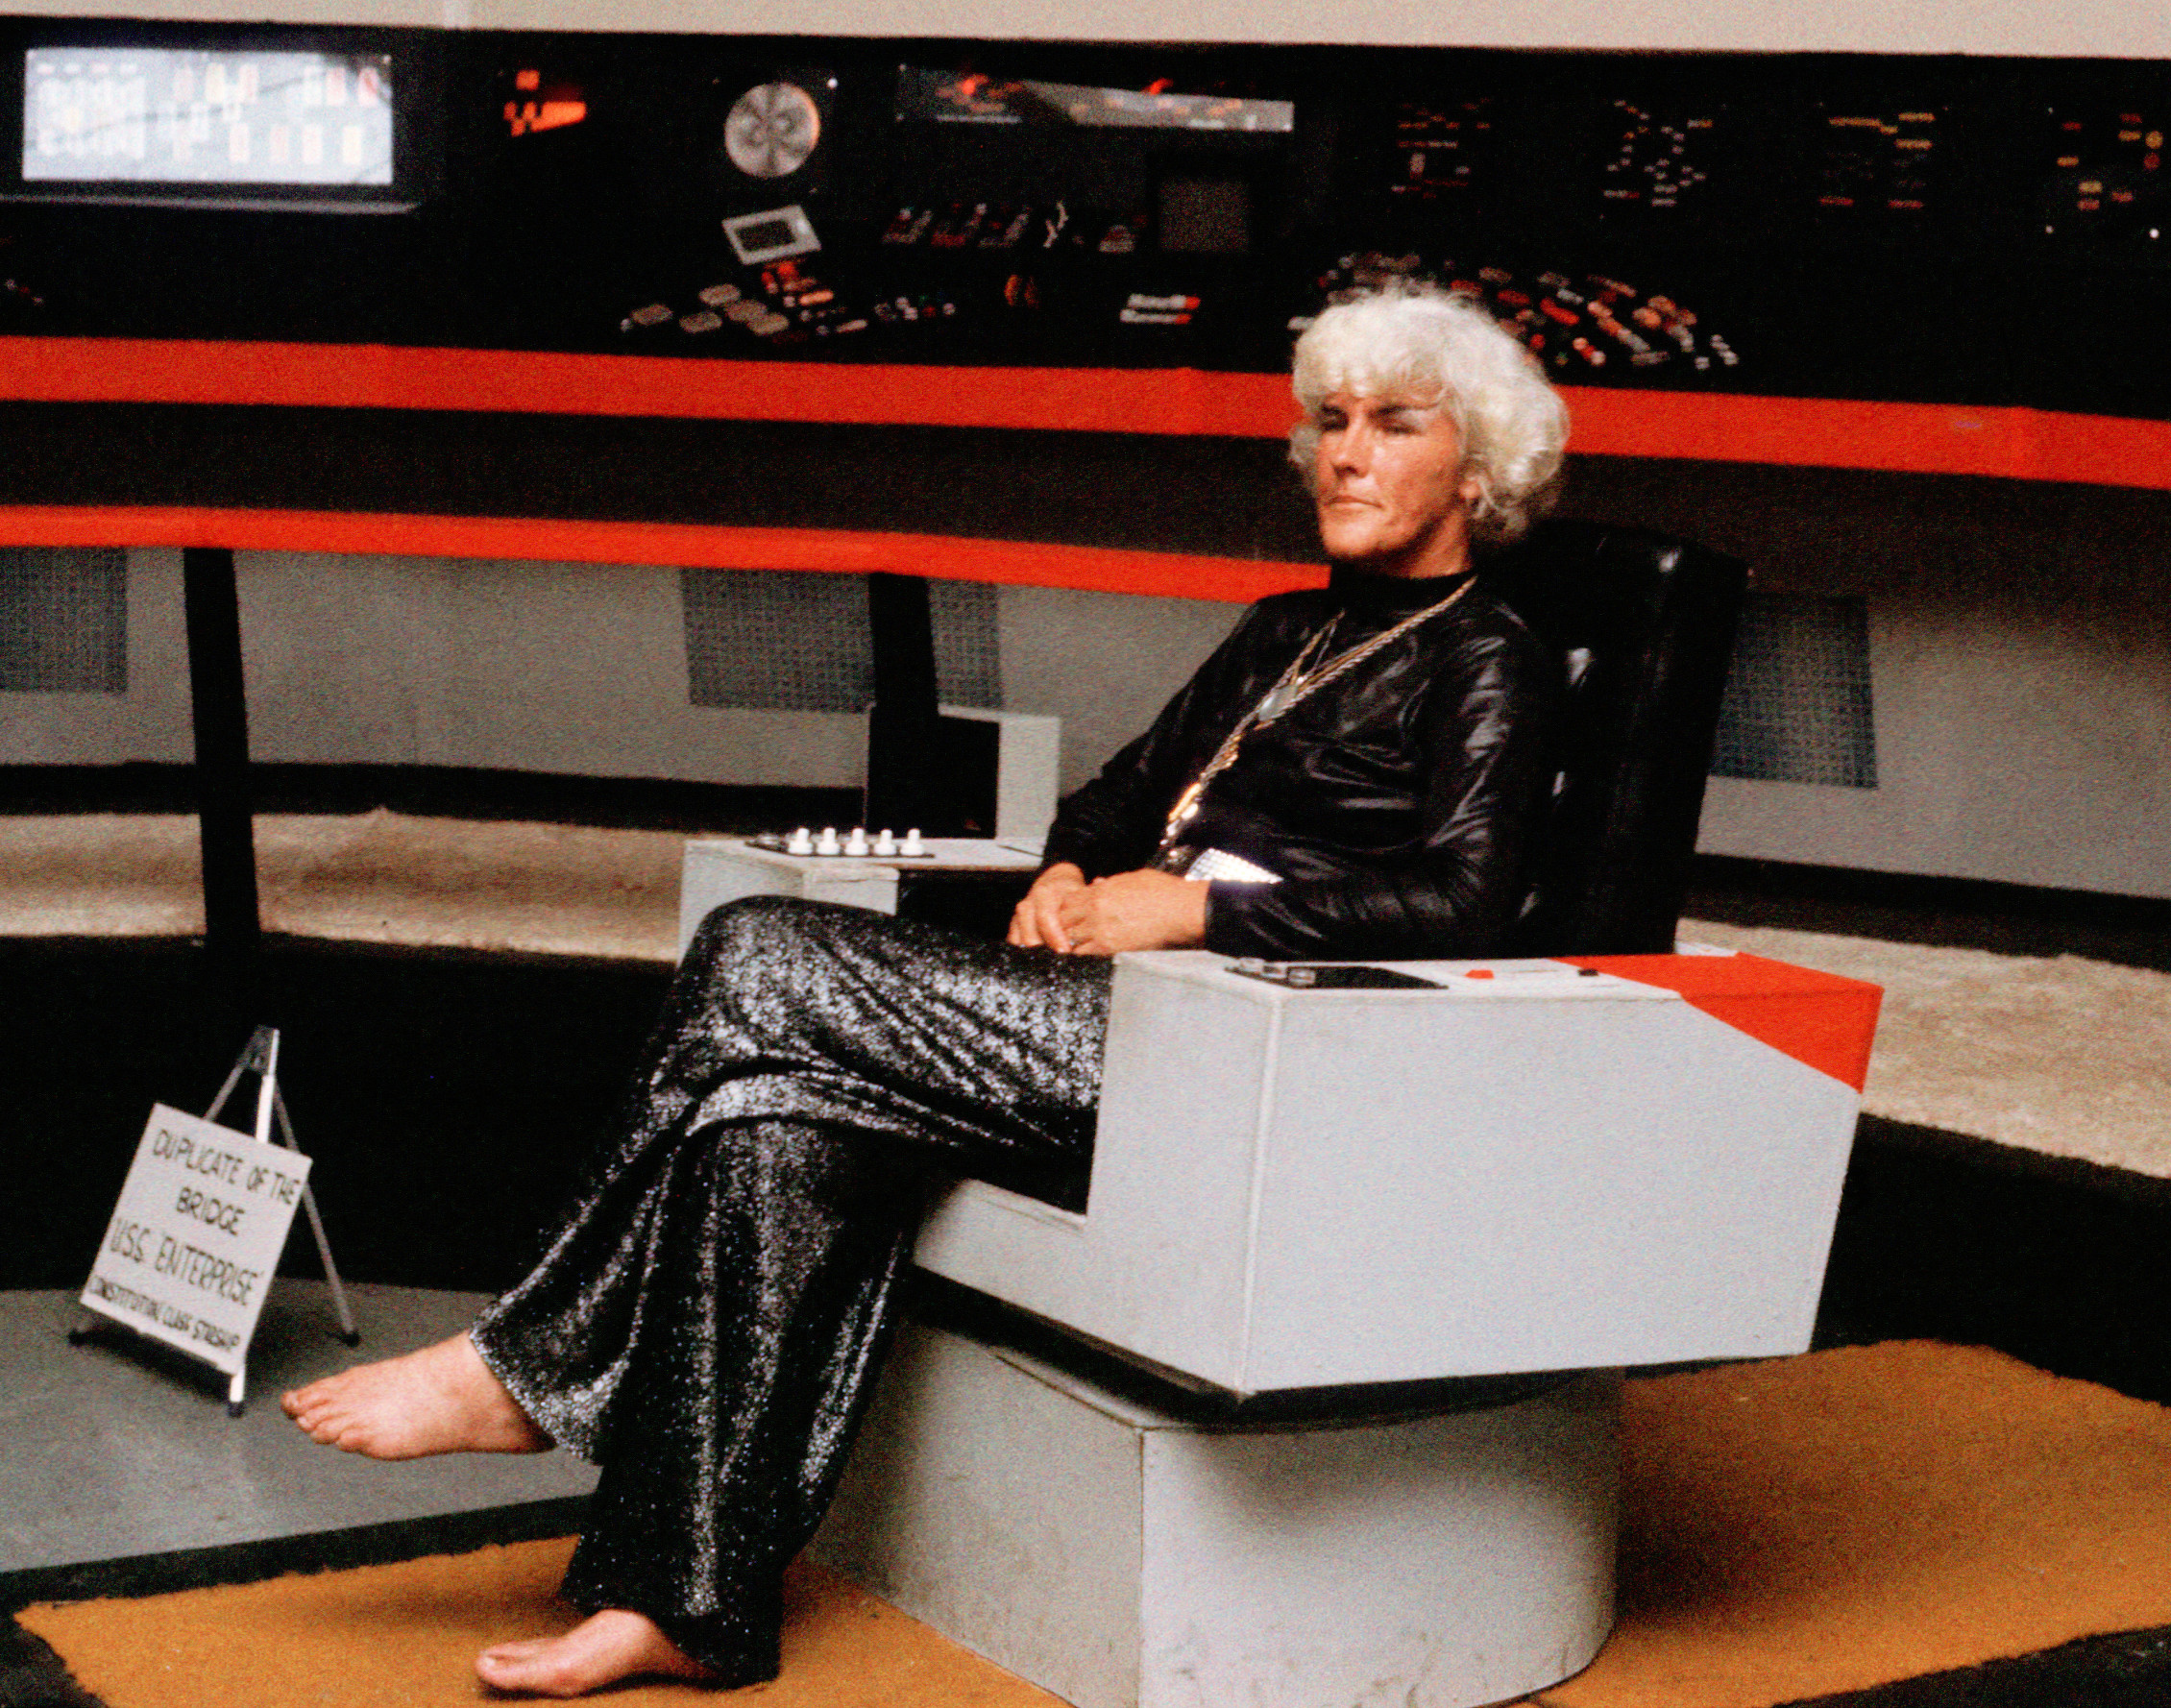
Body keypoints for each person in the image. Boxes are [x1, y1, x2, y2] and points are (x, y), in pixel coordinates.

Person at [281, 280, 1574, 1697]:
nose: (1345, 454)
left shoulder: (1488, 657)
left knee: (759, 949)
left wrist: (1191, 908)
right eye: (1330, 421)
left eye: (1394, 424)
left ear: (1479, 466)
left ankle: (529, 1360)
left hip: (1246, 1047)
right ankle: (681, 1605)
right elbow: (1112, 800)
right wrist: (1069, 875)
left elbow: (1471, 897)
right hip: (1102, 1008)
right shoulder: (1284, 632)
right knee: (770, 1132)